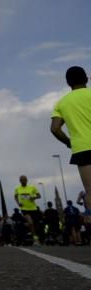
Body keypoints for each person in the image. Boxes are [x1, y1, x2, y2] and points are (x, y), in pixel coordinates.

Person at [51, 66, 91, 219]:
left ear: (68, 83)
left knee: (89, 191)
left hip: (82, 149)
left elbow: (55, 129)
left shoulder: (62, 103)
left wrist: (68, 142)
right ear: (86, 79)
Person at [14, 175, 42, 245]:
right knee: (30, 223)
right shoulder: (17, 188)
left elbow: (39, 195)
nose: (23, 181)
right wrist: (18, 203)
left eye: (24, 180)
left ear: (27, 180)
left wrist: (34, 197)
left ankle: (37, 236)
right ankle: (35, 239)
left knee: (36, 224)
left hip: (33, 208)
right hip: (24, 209)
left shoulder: (32, 187)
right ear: (20, 181)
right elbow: (15, 196)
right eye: (22, 180)